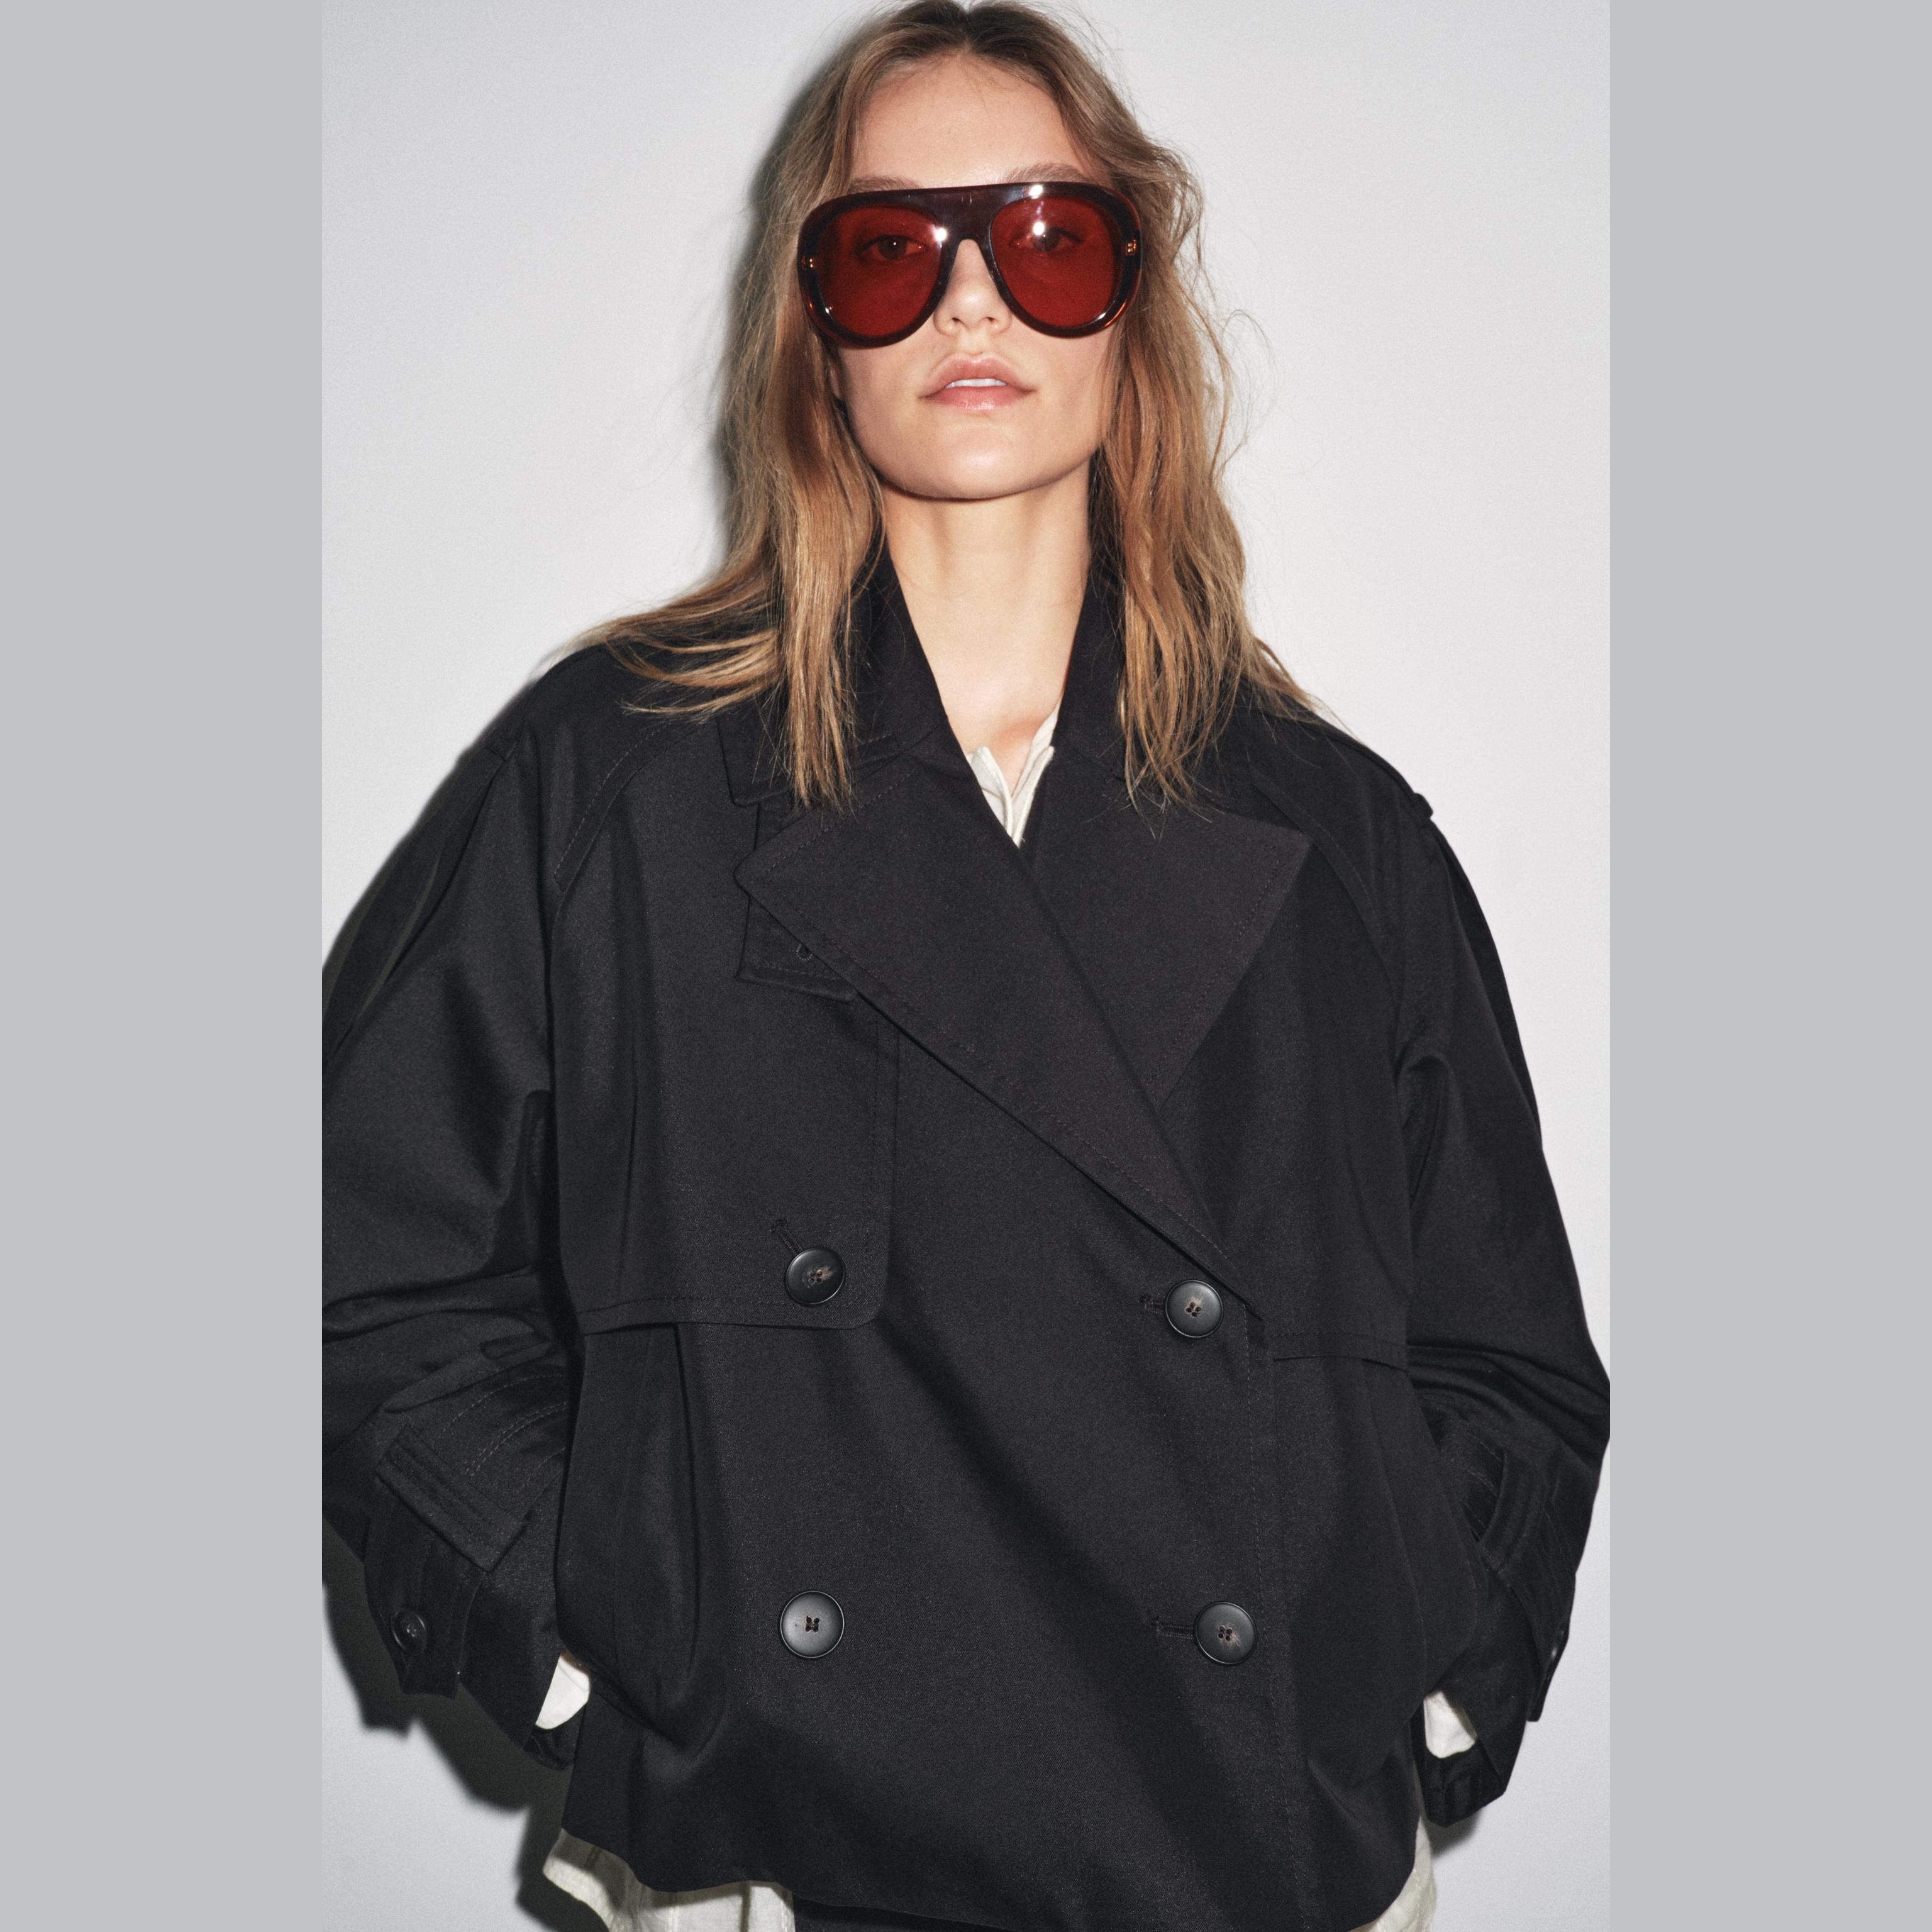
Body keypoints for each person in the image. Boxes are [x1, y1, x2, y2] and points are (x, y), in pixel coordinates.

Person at [321, 4, 1609, 1929]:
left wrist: (1418, 1682)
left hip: (1262, 1868)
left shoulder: (1338, 838)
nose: (973, 299)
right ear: (815, 329)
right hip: (780, 1861)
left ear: (1129, 307)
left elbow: (1504, 1358)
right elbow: (352, 1268)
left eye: (1048, 236)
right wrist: (601, 1644)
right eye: (889, 248)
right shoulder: (613, 787)